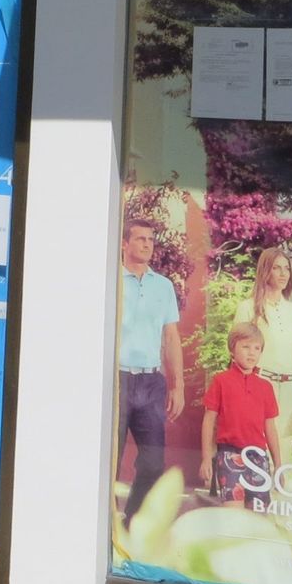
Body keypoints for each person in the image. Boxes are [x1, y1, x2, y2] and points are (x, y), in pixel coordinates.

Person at [117, 215, 184, 527]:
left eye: (150, 240)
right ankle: (102, 524)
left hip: (151, 381)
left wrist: (177, 385)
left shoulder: (164, 286)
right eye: (140, 238)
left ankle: (130, 520)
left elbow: (171, 337)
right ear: (124, 243)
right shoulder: (111, 280)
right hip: (116, 377)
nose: (147, 244)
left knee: (154, 462)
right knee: (110, 458)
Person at [234, 247, 292, 461]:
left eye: (286, 268)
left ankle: (276, 489)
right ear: (266, 271)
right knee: (258, 446)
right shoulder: (248, 308)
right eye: (277, 268)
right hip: (260, 383)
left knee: (283, 446)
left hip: (290, 387)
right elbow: (236, 355)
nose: (283, 274)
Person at [201, 322, 282, 501]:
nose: (251, 352)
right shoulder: (221, 381)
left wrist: (278, 465)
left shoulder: (265, 387)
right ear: (232, 350)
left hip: (259, 457)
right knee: (234, 513)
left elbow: (270, 428)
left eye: (257, 348)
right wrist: (206, 458)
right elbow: (208, 421)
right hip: (230, 455)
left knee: (257, 517)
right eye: (245, 347)